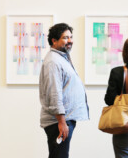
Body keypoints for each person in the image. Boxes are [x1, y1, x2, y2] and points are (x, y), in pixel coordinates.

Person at [39, 23, 89, 158]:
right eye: (65, 38)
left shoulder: (61, 58)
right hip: (58, 122)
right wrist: (62, 122)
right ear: (54, 41)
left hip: (63, 120)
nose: (70, 41)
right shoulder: (53, 62)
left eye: (71, 37)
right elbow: (53, 93)